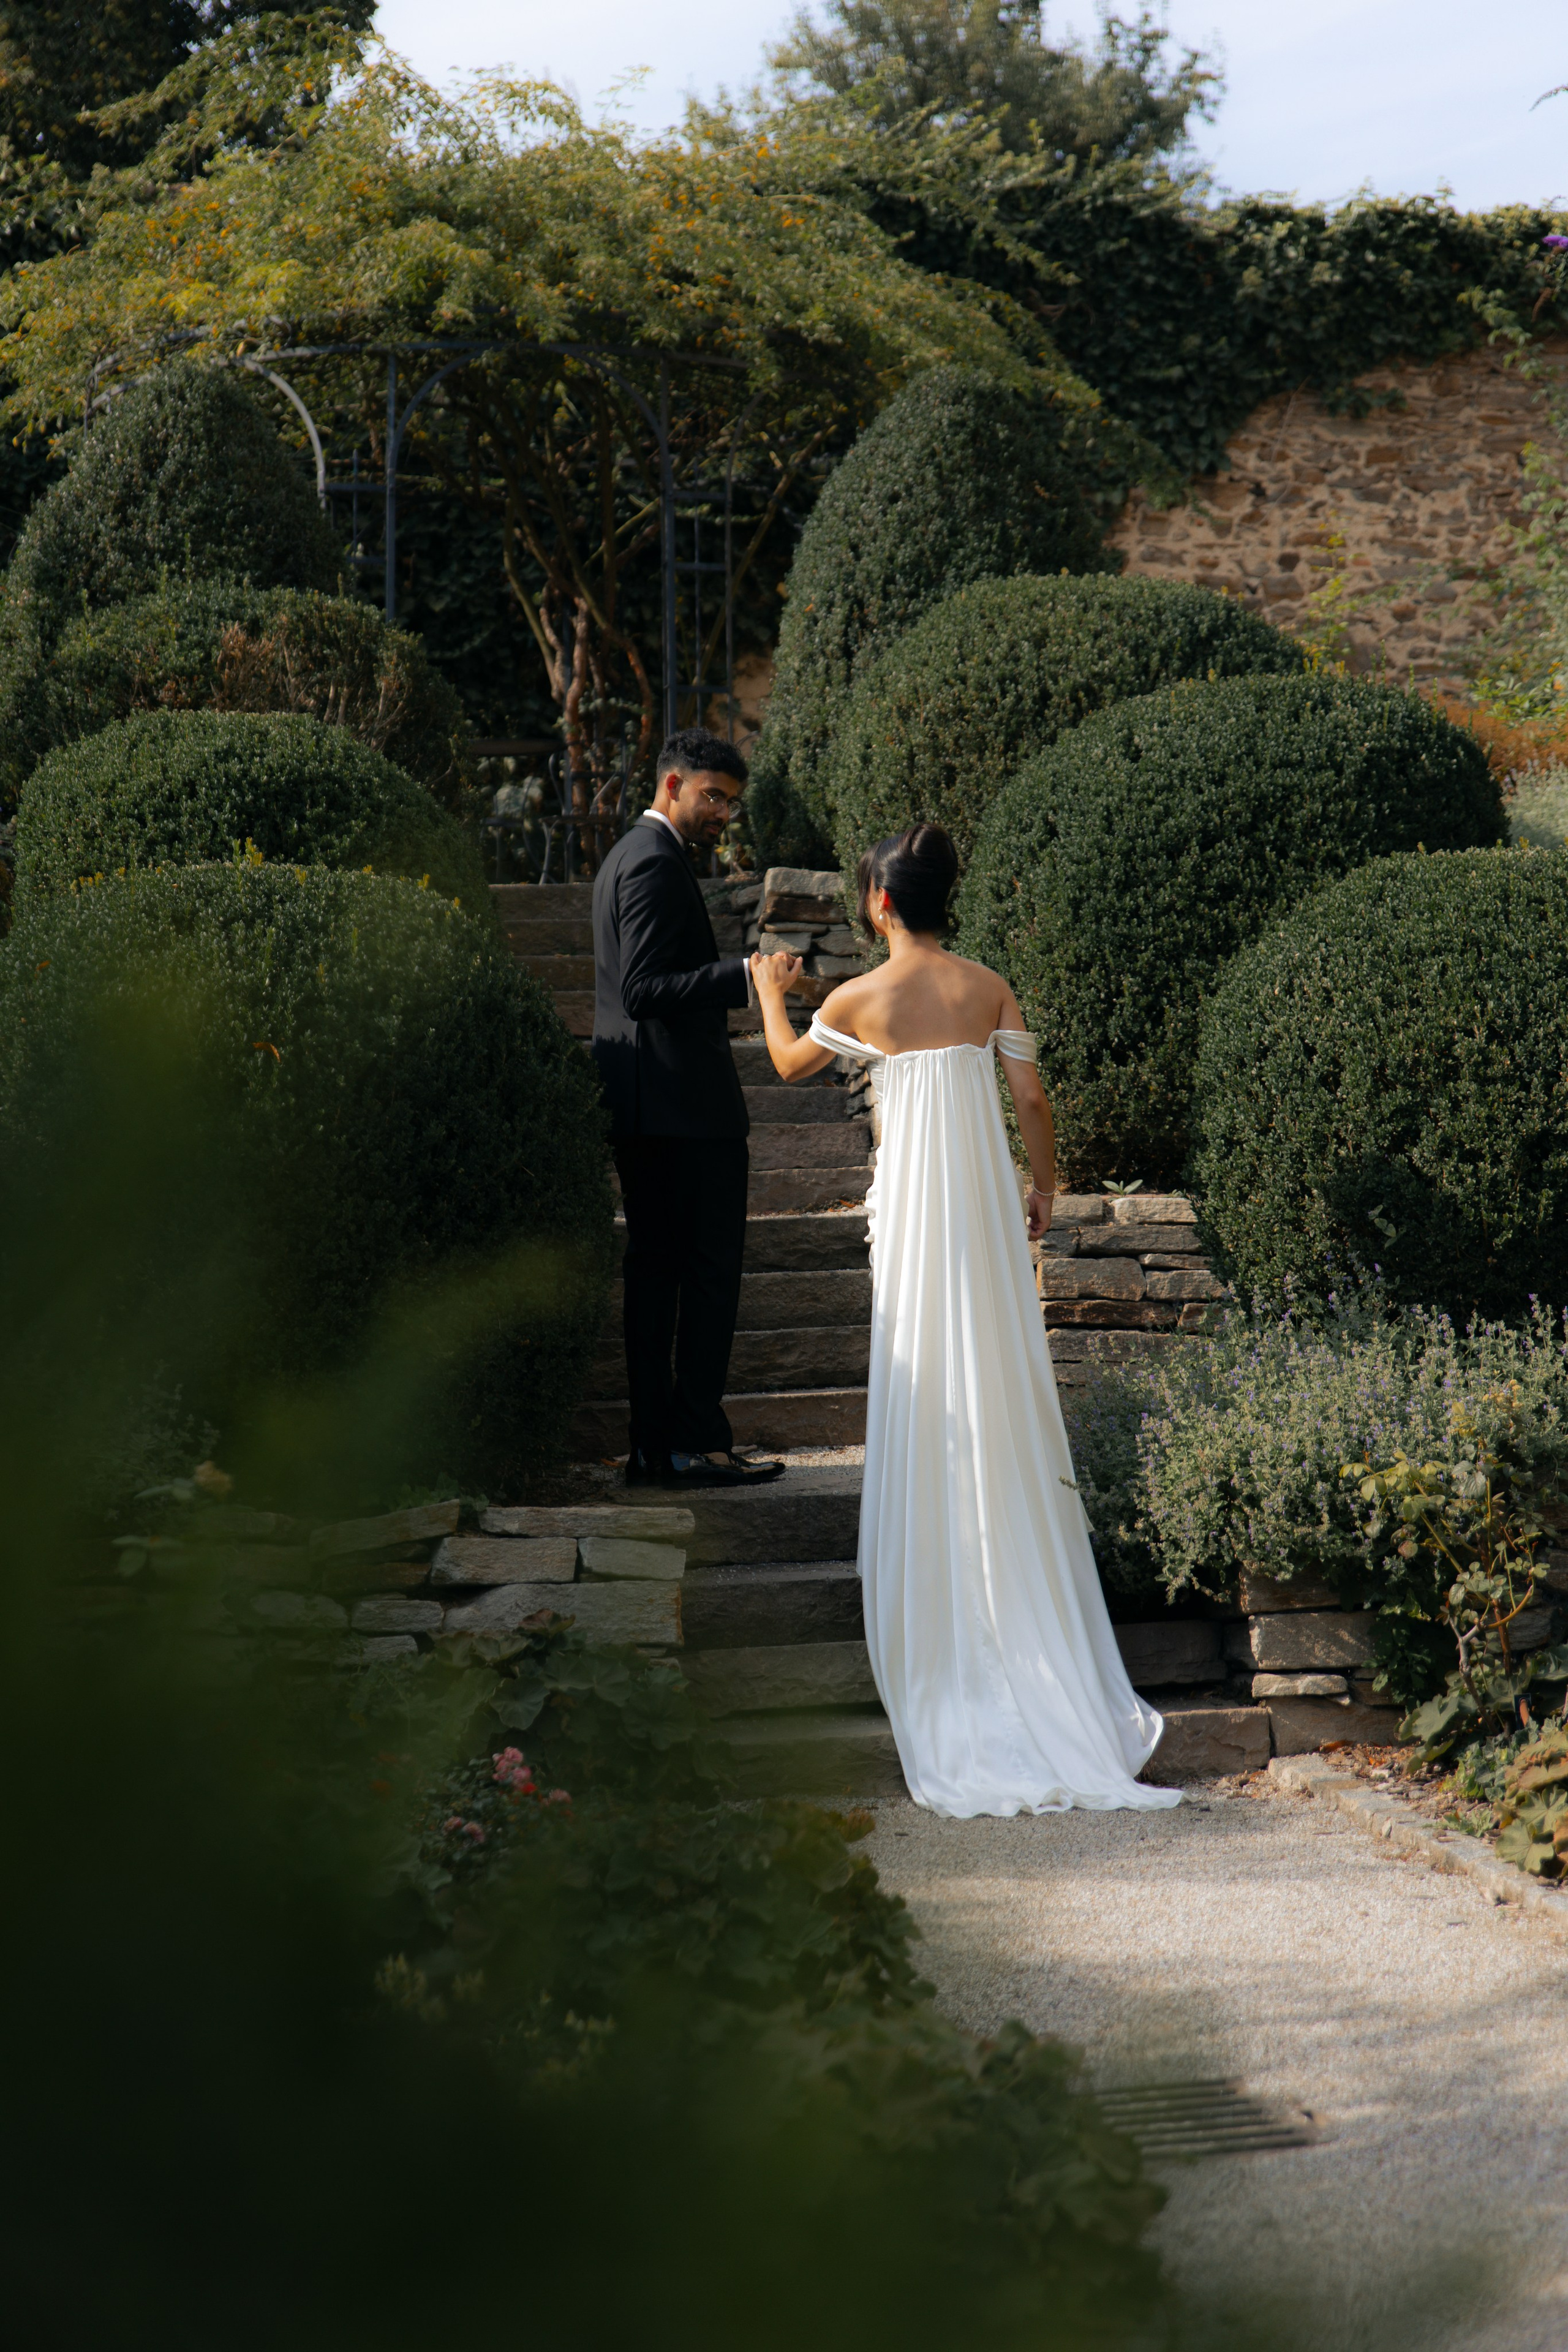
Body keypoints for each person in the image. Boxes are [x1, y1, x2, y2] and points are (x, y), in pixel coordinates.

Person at [750, 822, 1178, 1818]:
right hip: (983, 1210)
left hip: (915, 1216)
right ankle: (1031, 1624)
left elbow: (786, 1066)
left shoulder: (859, 999)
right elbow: (1029, 1096)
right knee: (994, 1371)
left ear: (880, 903)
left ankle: (947, 1616)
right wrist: (1046, 1187)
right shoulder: (988, 987)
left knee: (928, 1374)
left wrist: (772, 991)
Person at [591, 728, 784, 1491]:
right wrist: (744, 975)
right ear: (671, 785)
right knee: (704, 1277)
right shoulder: (651, 861)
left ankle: (657, 1450)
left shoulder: (630, 855)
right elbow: (642, 991)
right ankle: (691, 1445)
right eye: (712, 797)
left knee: (658, 1280)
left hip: (655, 1108)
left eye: (730, 803)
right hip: (679, 1114)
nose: (722, 814)